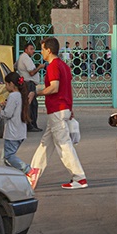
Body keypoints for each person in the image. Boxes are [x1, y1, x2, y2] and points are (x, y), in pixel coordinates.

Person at [26, 36, 88, 190]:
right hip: (62, 109)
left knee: (64, 145)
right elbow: (67, 89)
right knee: (45, 144)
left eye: (42, 49)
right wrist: (69, 108)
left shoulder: (53, 66)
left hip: (57, 110)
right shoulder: (64, 66)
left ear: (48, 50)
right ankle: (32, 173)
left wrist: (36, 93)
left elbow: (54, 87)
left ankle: (79, 177)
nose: (41, 52)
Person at [0, 72, 31, 173]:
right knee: (4, 158)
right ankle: (6, 177)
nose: (5, 87)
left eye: (6, 84)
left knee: (8, 156)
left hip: (13, 133)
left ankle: (28, 170)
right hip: (20, 131)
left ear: (11, 84)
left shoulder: (13, 96)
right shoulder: (20, 95)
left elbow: (8, 114)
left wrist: (0, 111)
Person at [16, 43, 44, 132]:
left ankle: (31, 124)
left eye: (33, 49)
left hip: (27, 83)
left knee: (30, 104)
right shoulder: (25, 58)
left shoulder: (22, 57)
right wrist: (40, 67)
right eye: (31, 49)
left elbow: (15, 66)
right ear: (26, 50)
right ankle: (31, 125)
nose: (33, 51)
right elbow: (31, 72)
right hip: (28, 84)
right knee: (32, 105)